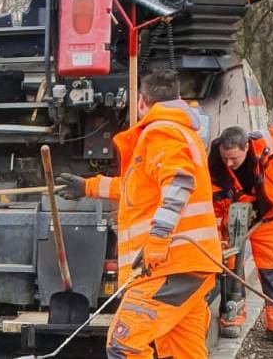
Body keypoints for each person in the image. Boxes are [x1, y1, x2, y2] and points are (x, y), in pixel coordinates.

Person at [57, 70, 223, 359]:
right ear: (178, 98)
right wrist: (89, 186)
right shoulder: (183, 132)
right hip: (188, 265)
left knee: (125, 344)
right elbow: (140, 189)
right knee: (182, 351)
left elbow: (178, 183)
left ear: (142, 102)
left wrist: (157, 241)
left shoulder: (161, 131)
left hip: (168, 265)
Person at [209, 125, 273, 348]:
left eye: (233, 158)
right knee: (231, 267)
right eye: (225, 157)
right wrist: (218, 238)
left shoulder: (268, 144)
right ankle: (232, 316)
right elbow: (214, 204)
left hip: (267, 215)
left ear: (246, 147)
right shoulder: (215, 163)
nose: (228, 163)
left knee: (272, 268)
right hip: (235, 216)